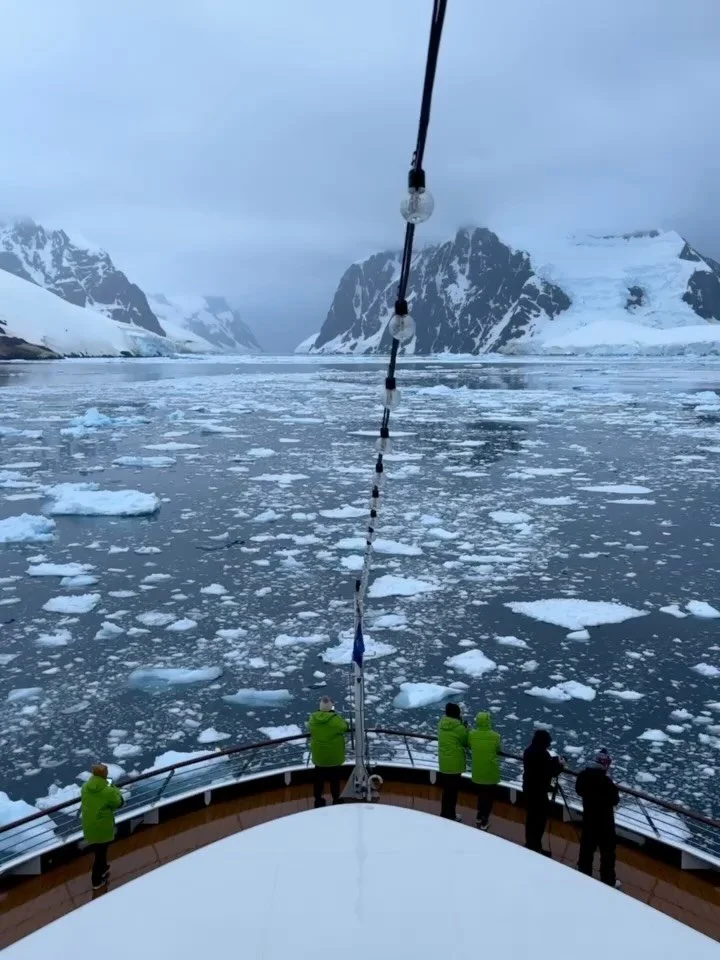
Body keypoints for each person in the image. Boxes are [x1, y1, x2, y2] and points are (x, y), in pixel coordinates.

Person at [576, 748, 620, 887]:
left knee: (586, 849)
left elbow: (579, 790)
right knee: (607, 853)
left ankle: (583, 875)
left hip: (589, 819)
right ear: (606, 765)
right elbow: (615, 800)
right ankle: (608, 881)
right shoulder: (607, 783)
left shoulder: (583, 776)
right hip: (605, 823)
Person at [81, 763, 124, 890]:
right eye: (106, 771)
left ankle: (104, 867)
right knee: (100, 854)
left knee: (100, 851)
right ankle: (97, 881)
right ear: (104, 774)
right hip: (102, 826)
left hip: (89, 824)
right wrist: (114, 788)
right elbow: (119, 803)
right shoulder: (108, 790)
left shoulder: (85, 787)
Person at [522, 729, 564, 854]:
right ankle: (536, 847)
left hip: (528, 789)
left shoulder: (528, 751)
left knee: (531, 819)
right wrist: (560, 765)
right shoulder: (543, 755)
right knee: (540, 821)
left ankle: (530, 844)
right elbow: (552, 773)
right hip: (539, 792)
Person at [307, 696, 349, 807]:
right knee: (334, 780)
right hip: (333, 756)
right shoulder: (335, 719)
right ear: (331, 707)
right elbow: (344, 727)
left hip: (319, 756)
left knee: (318, 780)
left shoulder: (313, 719)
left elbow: (309, 728)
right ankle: (336, 799)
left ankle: (318, 800)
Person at [469, 711, 501, 830]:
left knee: (481, 795)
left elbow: (470, 744)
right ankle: (484, 820)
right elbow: (498, 749)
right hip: (490, 771)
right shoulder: (495, 736)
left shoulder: (472, 734)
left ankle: (478, 815)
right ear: (488, 721)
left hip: (477, 771)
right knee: (489, 797)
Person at [437, 702, 469, 820]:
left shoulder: (441, 724)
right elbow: (465, 742)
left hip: (444, 763)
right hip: (455, 764)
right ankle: (451, 816)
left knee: (446, 791)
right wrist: (464, 727)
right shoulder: (459, 728)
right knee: (453, 792)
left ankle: (444, 813)